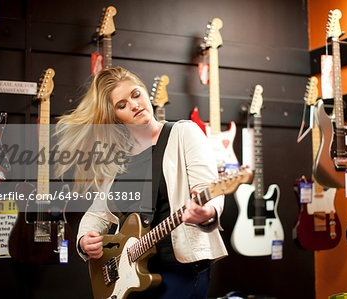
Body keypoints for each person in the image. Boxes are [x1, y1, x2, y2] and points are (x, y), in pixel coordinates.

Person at [55, 66, 227, 298]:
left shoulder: (183, 133)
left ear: (145, 92)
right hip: (130, 275)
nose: (134, 105)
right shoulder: (116, 157)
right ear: (115, 117)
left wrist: (206, 211)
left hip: (179, 270)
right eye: (122, 105)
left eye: (136, 94)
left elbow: (207, 190)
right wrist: (84, 241)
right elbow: (97, 214)